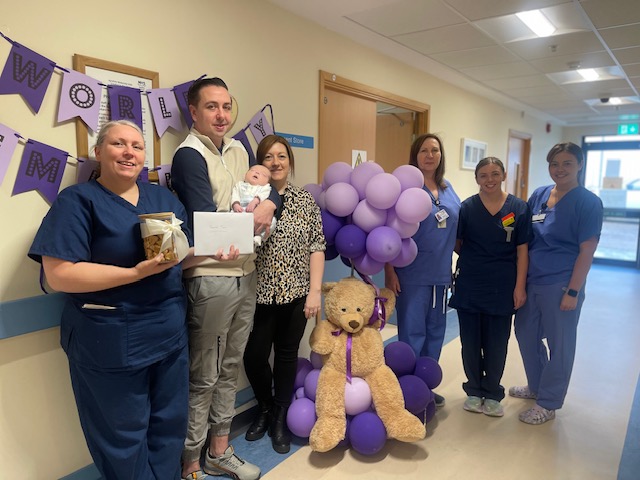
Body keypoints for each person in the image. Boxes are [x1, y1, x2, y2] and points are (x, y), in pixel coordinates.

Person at [28, 120, 197, 479]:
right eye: (119, 144)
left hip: (168, 335)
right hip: (108, 341)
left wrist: (215, 253)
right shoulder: (77, 202)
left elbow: (176, 256)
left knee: (169, 427)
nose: (129, 152)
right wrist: (134, 274)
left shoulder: (163, 199)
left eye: (137, 146)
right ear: (98, 151)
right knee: (122, 436)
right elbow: (59, 274)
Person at [171, 77, 279, 480]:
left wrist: (269, 202)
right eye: (212, 107)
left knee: (230, 366)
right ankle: (191, 462)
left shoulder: (237, 148)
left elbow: (268, 185)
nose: (221, 115)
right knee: (205, 374)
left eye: (226, 106)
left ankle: (220, 449)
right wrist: (254, 216)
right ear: (194, 113)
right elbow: (205, 219)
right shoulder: (189, 155)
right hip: (211, 277)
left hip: (245, 272)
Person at [243, 135, 326, 454]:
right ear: (259, 163)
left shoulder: (304, 200)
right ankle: (265, 407)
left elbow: (317, 247)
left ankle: (279, 414)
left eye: (281, 156)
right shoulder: (248, 196)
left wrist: (314, 293)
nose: (276, 162)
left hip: (296, 293)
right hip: (257, 295)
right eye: (268, 157)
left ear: (290, 160)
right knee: (254, 356)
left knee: (287, 355)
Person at [510, 142, 603, 425]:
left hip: (561, 283)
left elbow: (587, 250)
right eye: (554, 164)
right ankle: (537, 386)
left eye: (567, 164)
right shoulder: (539, 195)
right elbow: (518, 226)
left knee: (560, 344)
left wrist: (573, 291)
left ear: (580, 165)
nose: (559, 170)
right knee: (526, 334)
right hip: (532, 280)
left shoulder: (588, 202)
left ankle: (548, 402)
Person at [448, 157, 531, 417]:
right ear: (477, 179)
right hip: (470, 282)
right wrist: (476, 260)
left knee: (497, 343)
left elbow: (522, 250)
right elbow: (457, 243)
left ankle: (493, 393)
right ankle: (474, 391)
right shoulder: (467, 208)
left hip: (503, 285)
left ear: (504, 175)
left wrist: (520, 287)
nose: (490, 179)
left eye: (495, 174)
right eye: (483, 175)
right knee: (470, 342)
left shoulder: (518, 208)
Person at [385, 133, 460, 408]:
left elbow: (456, 227)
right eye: (424, 150)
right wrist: (390, 272)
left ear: (441, 156)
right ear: (415, 156)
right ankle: (406, 389)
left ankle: (425, 385)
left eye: (435, 150)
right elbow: (388, 232)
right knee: (412, 333)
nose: (430, 155)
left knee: (436, 332)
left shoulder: (448, 188)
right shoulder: (406, 188)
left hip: (440, 275)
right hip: (411, 274)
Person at [231, 164, 277, 246]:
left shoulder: (265, 188)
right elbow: (235, 194)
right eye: (253, 170)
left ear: (267, 182)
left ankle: (258, 236)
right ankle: (235, 236)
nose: (257, 172)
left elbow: (264, 195)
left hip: (257, 214)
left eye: (263, 174)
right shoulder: (240, 185)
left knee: (272, 221)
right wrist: (236, 204)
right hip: (240, 211)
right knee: (228, 216)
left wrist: (256, 200)